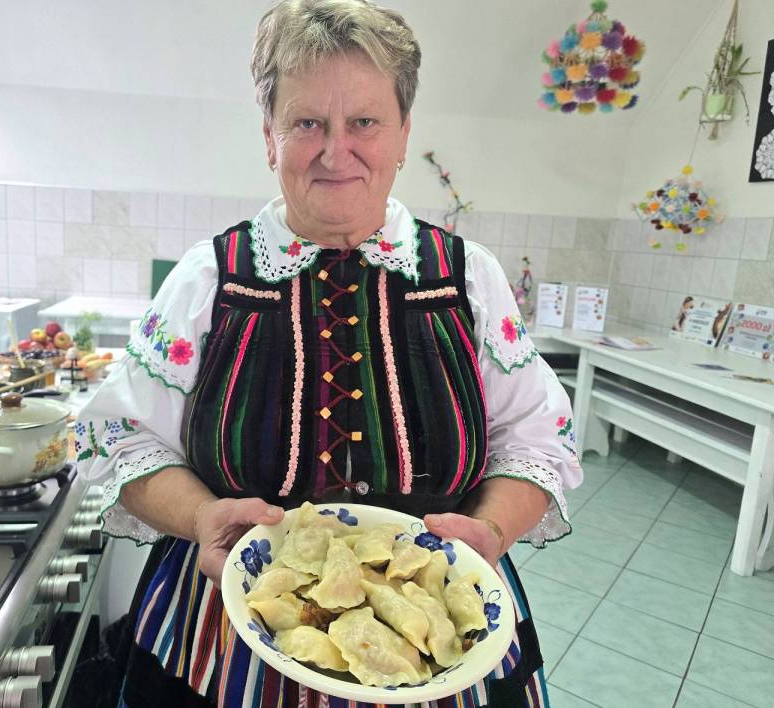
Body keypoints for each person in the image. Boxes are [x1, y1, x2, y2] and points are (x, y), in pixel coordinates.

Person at [77, 1, 581, 705]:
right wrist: (197, 518)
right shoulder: (209, 278)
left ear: (404, 134)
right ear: (270, 137)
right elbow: (124, 435)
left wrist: (491, 529)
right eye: (307, 122)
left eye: (365, 122)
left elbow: (535, 441)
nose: (335, 152)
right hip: (224, 643)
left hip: (437, 633)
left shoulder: (467, 278)